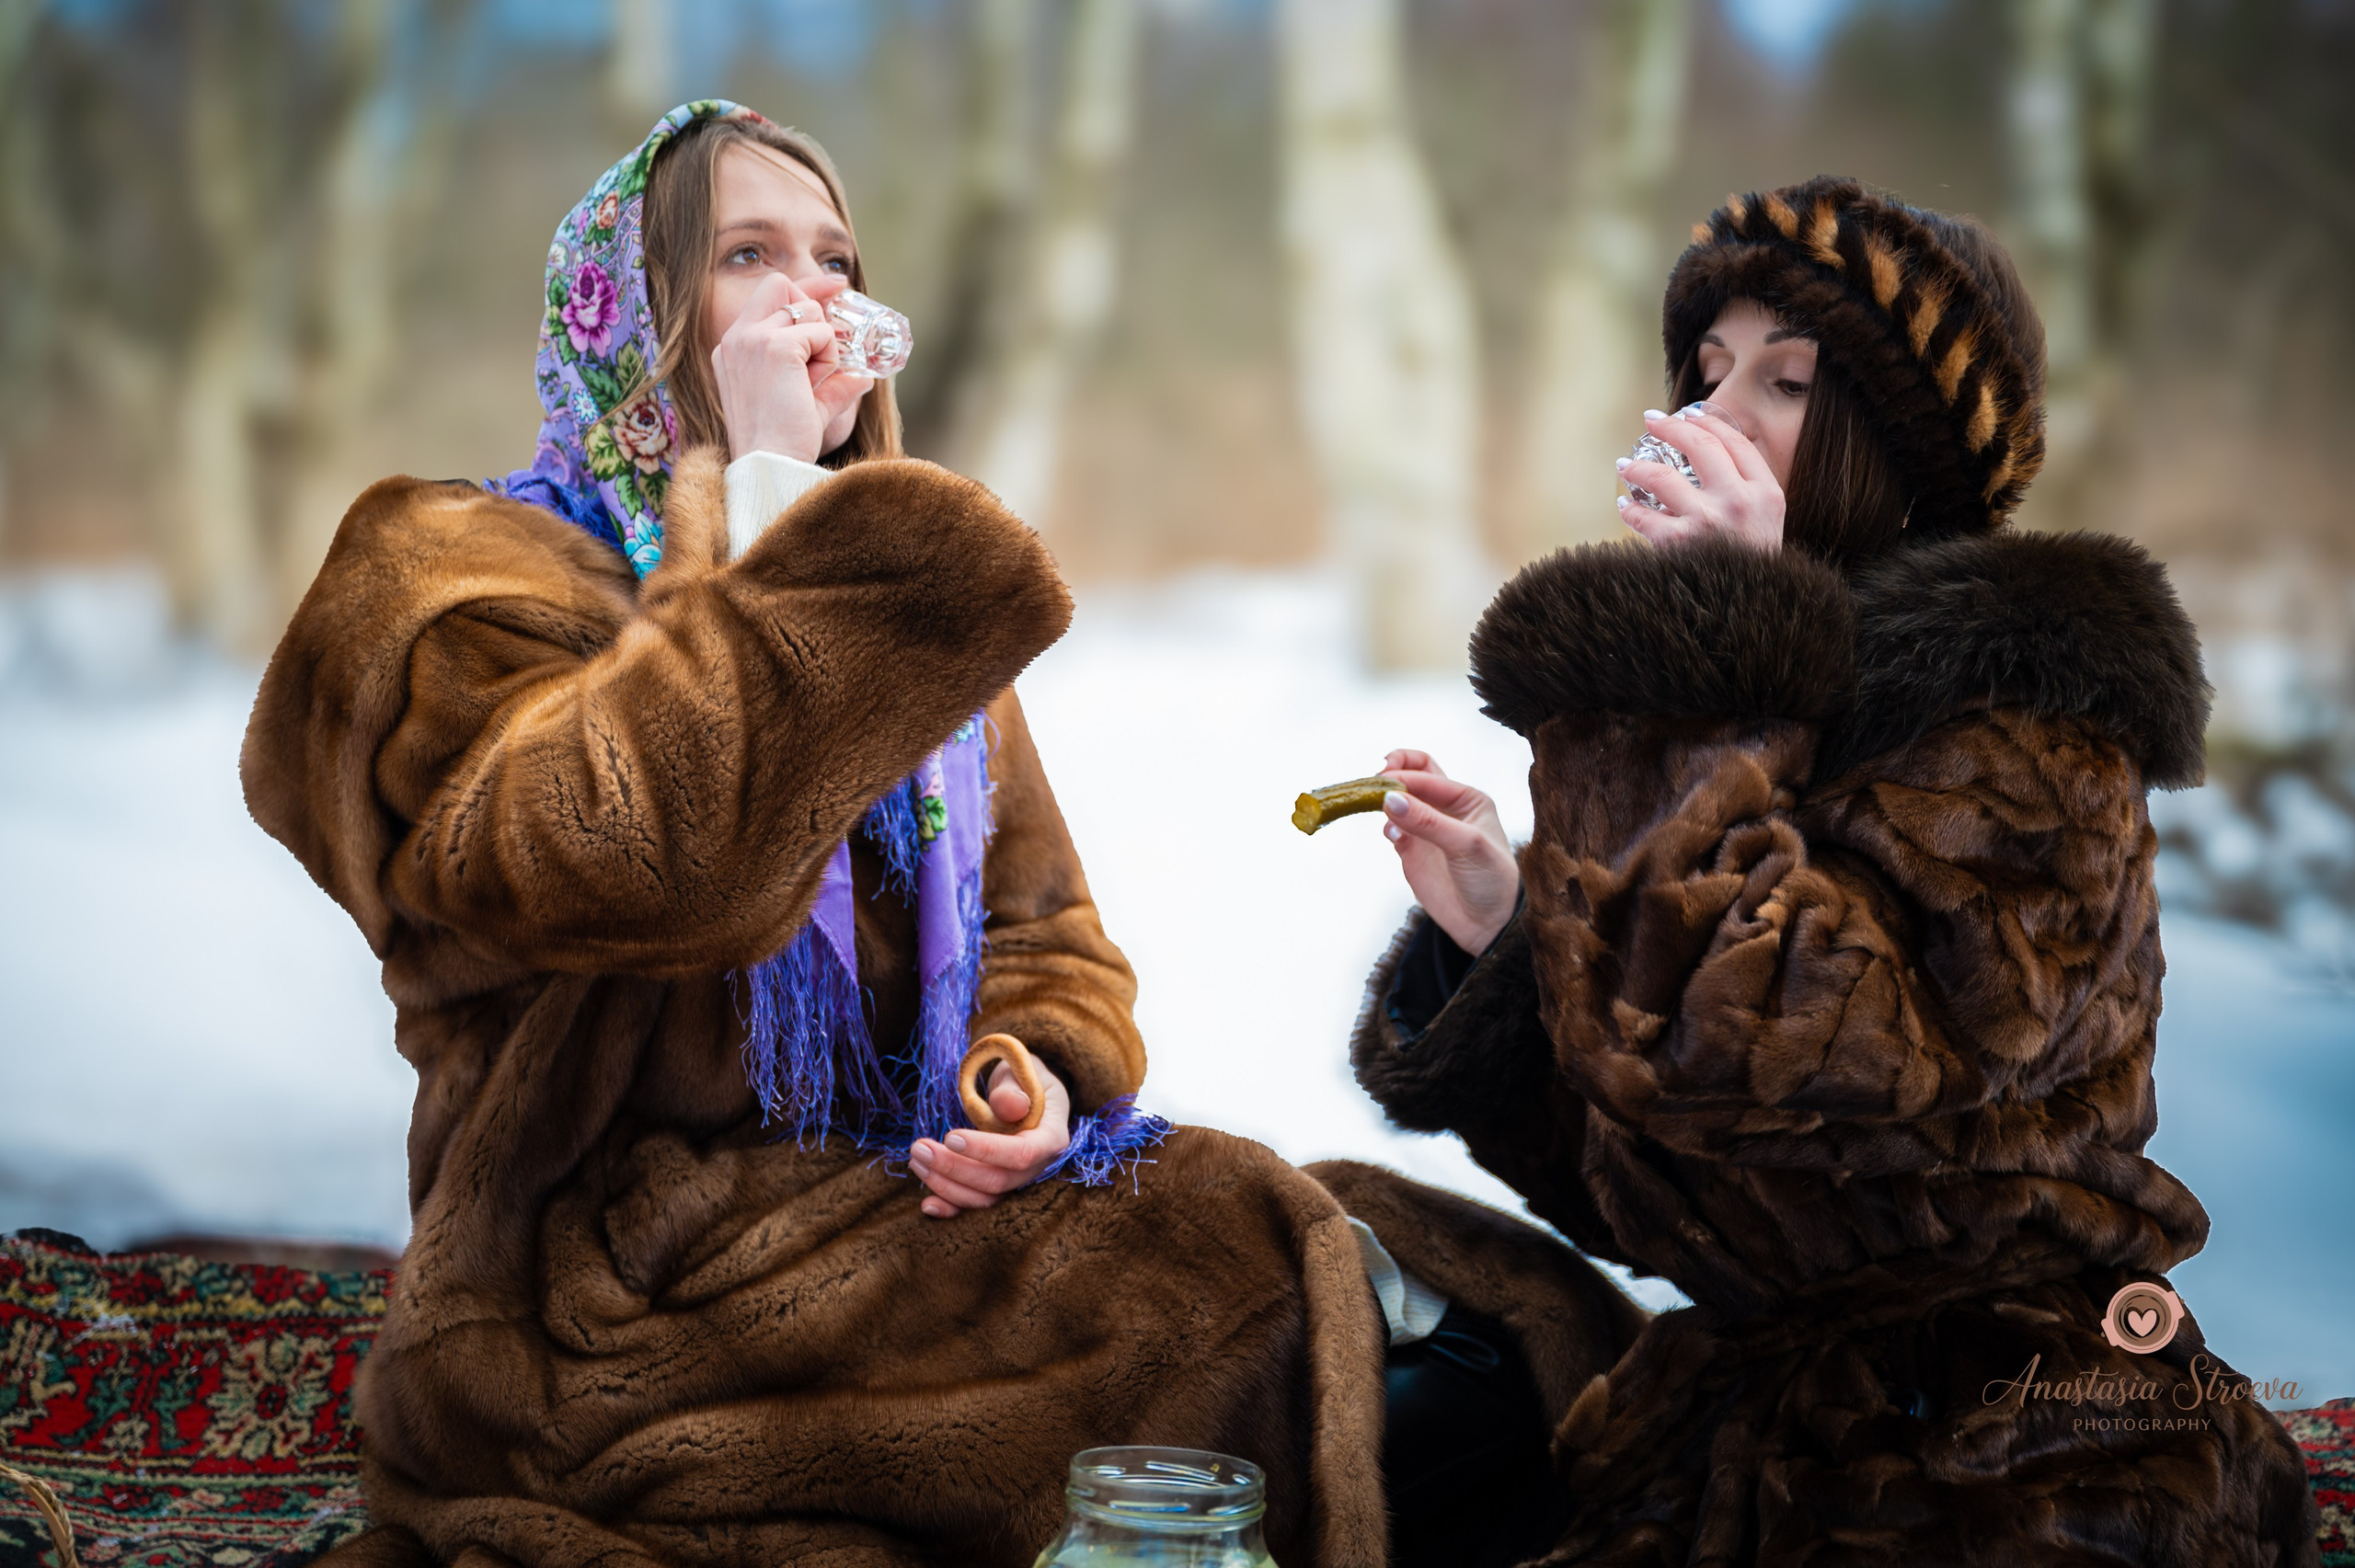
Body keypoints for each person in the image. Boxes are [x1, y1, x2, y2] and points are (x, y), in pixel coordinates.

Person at [246, 98, 1476, 1567]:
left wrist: (1021, 1078)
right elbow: (663, 865)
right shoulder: (455, 588)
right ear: (627, 312)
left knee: (1386, 1265)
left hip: (894, 1208)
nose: (810, 292)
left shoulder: (895, 609)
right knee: (1247, 1301)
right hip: (599, 1286)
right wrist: (760, 497)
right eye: (746, 254)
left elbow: (1050, 935)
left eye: (834, 257)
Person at [1352, 176, 2321, 1563]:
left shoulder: (2026, 734)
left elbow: (1797, 1066)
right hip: (1747, 1408)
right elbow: (1683, 1192)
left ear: (1894, 444)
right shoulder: (1754, 716)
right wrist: (1507, 942)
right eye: (1705, 370)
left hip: (2008, 1429)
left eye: (1788, 379)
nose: (1715, 412)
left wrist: (1700, 664)